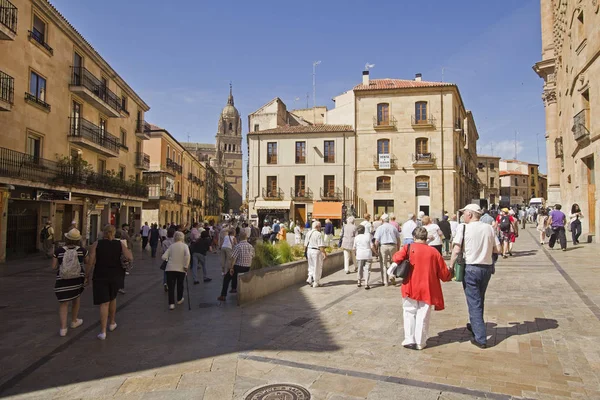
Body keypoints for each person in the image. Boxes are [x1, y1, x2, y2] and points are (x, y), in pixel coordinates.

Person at [449, 204, 501, 349]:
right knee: (479, 298)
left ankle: (480, 338)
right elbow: (499, 249)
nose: (463, 216)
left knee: (474, 301)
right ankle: (475, 325)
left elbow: (456, 249)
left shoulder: (463, 228)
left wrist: (451, 266)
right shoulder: (489, 228)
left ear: (470, 214)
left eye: (464, 213)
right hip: (486, 268)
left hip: (471, 268)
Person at [392, 227, 453, 350]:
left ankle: (409, 339)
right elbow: (443, 273)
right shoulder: (434, 252)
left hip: (411, 285)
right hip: (427, 287)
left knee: (409, 312)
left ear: (414, 237)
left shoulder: (408, 248)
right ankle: (420, 341)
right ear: (426, 238)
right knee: (423, 314)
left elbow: (396, 258)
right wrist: (450, 273)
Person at [87, 225, 133, 340]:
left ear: (103, 233)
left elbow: (91, 262)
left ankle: (103, 331)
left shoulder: (97, 244)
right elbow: (130, 257)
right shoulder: (119, 244)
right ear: (113, 233)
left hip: (100, 275)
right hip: (116, 275)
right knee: (113, 298)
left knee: (104, 303)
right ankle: (112, 323)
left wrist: (87, 275)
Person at [52, 228, 88, 337]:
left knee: (64, 303)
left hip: (62, 280)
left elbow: (53, 267)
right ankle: (74, 321)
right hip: (76, 279)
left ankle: (63, 328)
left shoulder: (58, 251)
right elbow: (87, 262)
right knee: (76, 299)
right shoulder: (82, 250)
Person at [218, 231, 255, 301]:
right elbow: (253, 256)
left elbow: (233, 258)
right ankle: (234, 288)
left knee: (227, 278)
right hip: (247, 267)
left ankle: (223, 295)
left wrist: (231, 267)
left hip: (239, 267)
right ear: (246, 237)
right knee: (234, 275)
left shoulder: (238, 246)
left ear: (239, 238)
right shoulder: (251, 246)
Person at [162, 231, 190, 310]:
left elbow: (164, 257)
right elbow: (187, 256)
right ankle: (179, 299)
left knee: (171, 287)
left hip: (170, 269)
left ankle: (171, 304)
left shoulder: (171, 246)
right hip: (181, 269)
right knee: (180, 284)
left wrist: (169, 258)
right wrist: (186, 266)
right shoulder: (185, 246)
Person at [374, 214, 401, 286]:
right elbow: (398, 239)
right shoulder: (393, 227)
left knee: (384, 263)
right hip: (393, 245)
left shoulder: (380, 228)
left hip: (383, 246)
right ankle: (392, 275)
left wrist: (376, 249)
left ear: (382, 220)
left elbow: (376, 240)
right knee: (393, 262)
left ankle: (385, 281)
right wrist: (398, 248)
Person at [305, 221, 327, 287]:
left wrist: (305, 252)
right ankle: (316, 282)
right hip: (316, 251)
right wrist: (324, 253)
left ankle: (309, 278)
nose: (320, 228)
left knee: (311, 265)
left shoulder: (308, 233)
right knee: (317, 267)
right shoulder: (318, 234)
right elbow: (321, 246)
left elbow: (305, 244)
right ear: (317, 227)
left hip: (309, 250)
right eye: (320, 227)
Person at [353, 224, 374, 289]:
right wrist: (375, 252)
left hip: (359, 254)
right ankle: (366, 283)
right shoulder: (368, 237)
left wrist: (355, 254)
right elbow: (372, 246)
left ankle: (359, 281)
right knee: (367, 269)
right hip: (367, 254)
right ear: (364, 230)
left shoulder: (356, 238)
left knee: (360, 268)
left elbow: (354, 248)